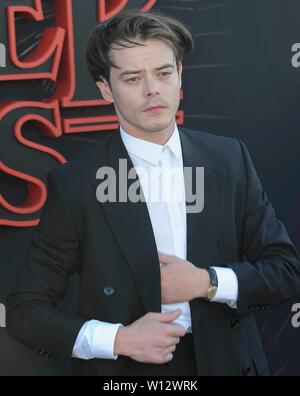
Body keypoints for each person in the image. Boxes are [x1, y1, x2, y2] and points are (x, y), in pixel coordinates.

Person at [6, 10, 300, 376]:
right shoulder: (77, 185)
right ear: (104, 88)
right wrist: (119, 339)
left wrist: (207, 282)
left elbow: (286, 272)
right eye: (132, 78)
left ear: (179, 74)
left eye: (163, 73)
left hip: (229, 362)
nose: (152, 90)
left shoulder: (229, 159)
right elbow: (24, 311)